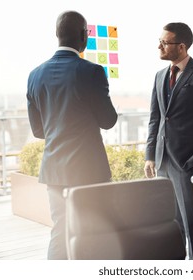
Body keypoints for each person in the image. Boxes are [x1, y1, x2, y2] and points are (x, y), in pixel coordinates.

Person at [26, 10, 118, 259]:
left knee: (60, 231)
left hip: (54, 170)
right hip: (90, 172)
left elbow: (37, 130)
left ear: (57, 35)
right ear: (83, 37)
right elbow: (108, 121)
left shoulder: (35, 75)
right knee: (95, 233)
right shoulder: (92, 72)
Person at [144, 22, 193, 260]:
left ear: (181, 46)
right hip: (162, 161)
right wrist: (150, 155)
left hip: (187, 162)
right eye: (159, 41)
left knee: (192, 223)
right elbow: (155, 119)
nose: (159, 46)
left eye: (164, 42)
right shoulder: (159, 76)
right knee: (169, 223)